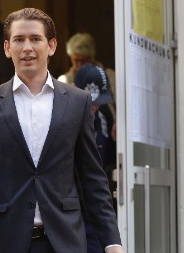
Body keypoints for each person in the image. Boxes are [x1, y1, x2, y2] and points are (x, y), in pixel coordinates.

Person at [0, 8, 124, 253]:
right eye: (19, 40)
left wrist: (112, 241)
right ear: (6, 48)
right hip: (4, 242)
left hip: (64, 242)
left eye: (35, 39)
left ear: (52, 46)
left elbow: (92, 179)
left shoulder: (78, 102)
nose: (27, 47)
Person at [74, 63, 117, 253]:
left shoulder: (104, 118)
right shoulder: (59, 115)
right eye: (92, 101)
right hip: (68, 211)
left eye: (100, 101)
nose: (96, 106)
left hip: (94, 210)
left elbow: (107, 159)